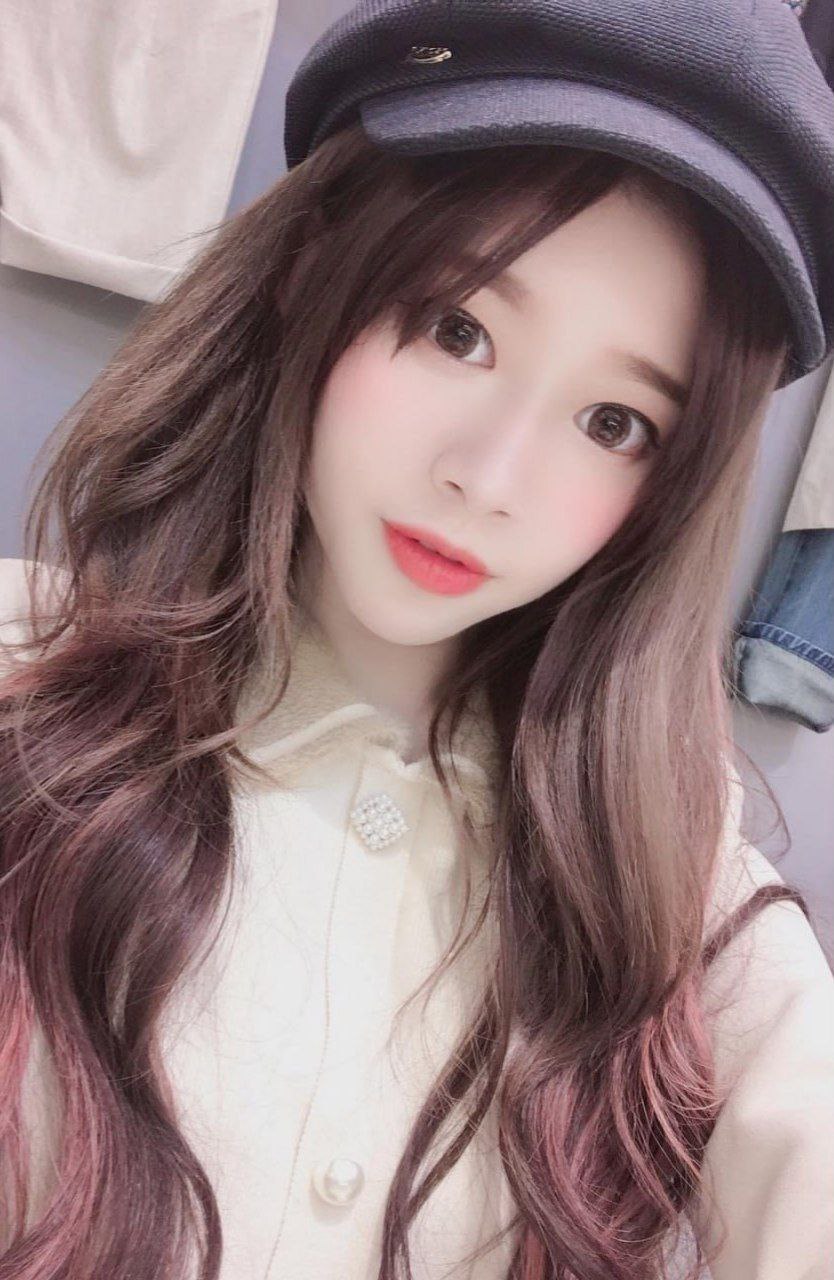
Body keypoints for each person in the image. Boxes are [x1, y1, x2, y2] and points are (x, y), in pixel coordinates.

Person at [0, 2, 832, 1278]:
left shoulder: (672, 865)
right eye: (460, 330)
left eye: (614, 422)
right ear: (312, 271)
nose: (488, 478)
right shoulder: (26, 680)